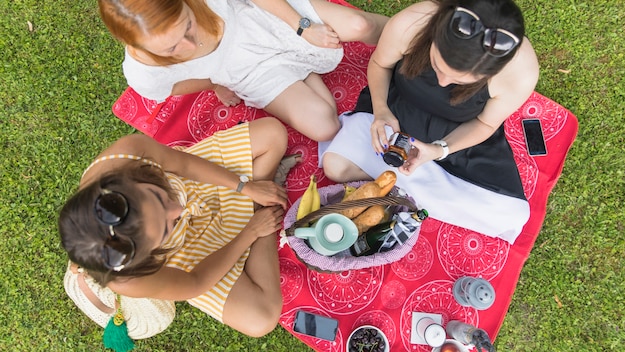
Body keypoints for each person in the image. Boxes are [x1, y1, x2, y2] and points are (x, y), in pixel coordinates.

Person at [321, 0, 539, 242]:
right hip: (396, 109)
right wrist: (381, 110)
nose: (443, 82)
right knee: (335, 165)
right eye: (437, 65)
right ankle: (416, 191)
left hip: (456, 137)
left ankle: (403, 185)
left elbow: (486, 124)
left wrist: (438, 150)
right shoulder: (413, 23)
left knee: (509, 217)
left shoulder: (520, 71)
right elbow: (380, 64)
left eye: (460, 80)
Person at [59, 117, 289, 338]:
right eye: (165, 229)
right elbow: (195, 281)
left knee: (272, 134)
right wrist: (250, 232)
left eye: (157, 197)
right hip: (185, 252)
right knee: (260, 319)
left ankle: (259, 199)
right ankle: (261, 210)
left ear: (127, 183)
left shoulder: (127, 152)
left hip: (193, 185)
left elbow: (184, 164)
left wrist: (244, 187)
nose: (178, 211)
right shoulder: (128, 279)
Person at [98, 0, 388, 142]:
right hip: (246, 71)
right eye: (171, 50)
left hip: (261, 18)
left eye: (188, 25)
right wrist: (213, 84)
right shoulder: (142, 72)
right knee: (326, 127)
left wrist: (302, 26)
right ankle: (303, 72)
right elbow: (171, 87)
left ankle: (416, 34)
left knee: (360, 26)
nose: (188, 45)